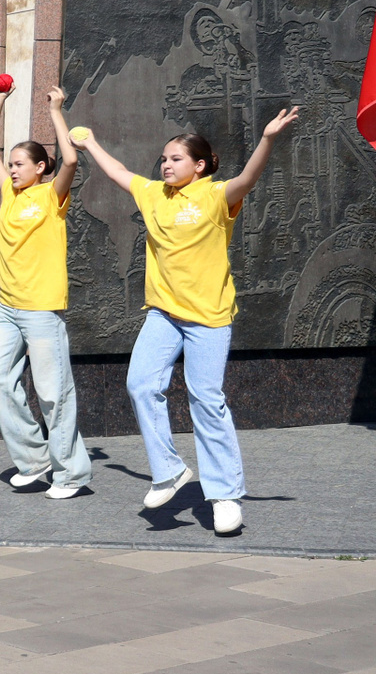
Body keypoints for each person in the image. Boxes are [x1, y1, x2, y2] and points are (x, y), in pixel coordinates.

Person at [75, 106, 300, 537]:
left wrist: (268, 138)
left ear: (199, 166)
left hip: (208, 318)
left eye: (176, 159)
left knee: (206, 401)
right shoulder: (153, 194)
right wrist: (90, 145)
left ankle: (225, 495)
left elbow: (247, 179)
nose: (166, 164)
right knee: (141, 384)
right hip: (164, 313)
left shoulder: (215, 196)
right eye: (163, 158)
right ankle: (170, 471)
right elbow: (118, 171)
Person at [0, 83, 89, 500]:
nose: (12, 169)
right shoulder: (8, 192)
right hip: (8, 310)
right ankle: (34, 459)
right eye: (10, 164)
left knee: (53, 394)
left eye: (20, 164)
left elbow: (71, 159)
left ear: (40, 167)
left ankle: (71, 474)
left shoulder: (51, 195)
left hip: (42, 311)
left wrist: (56, 110)